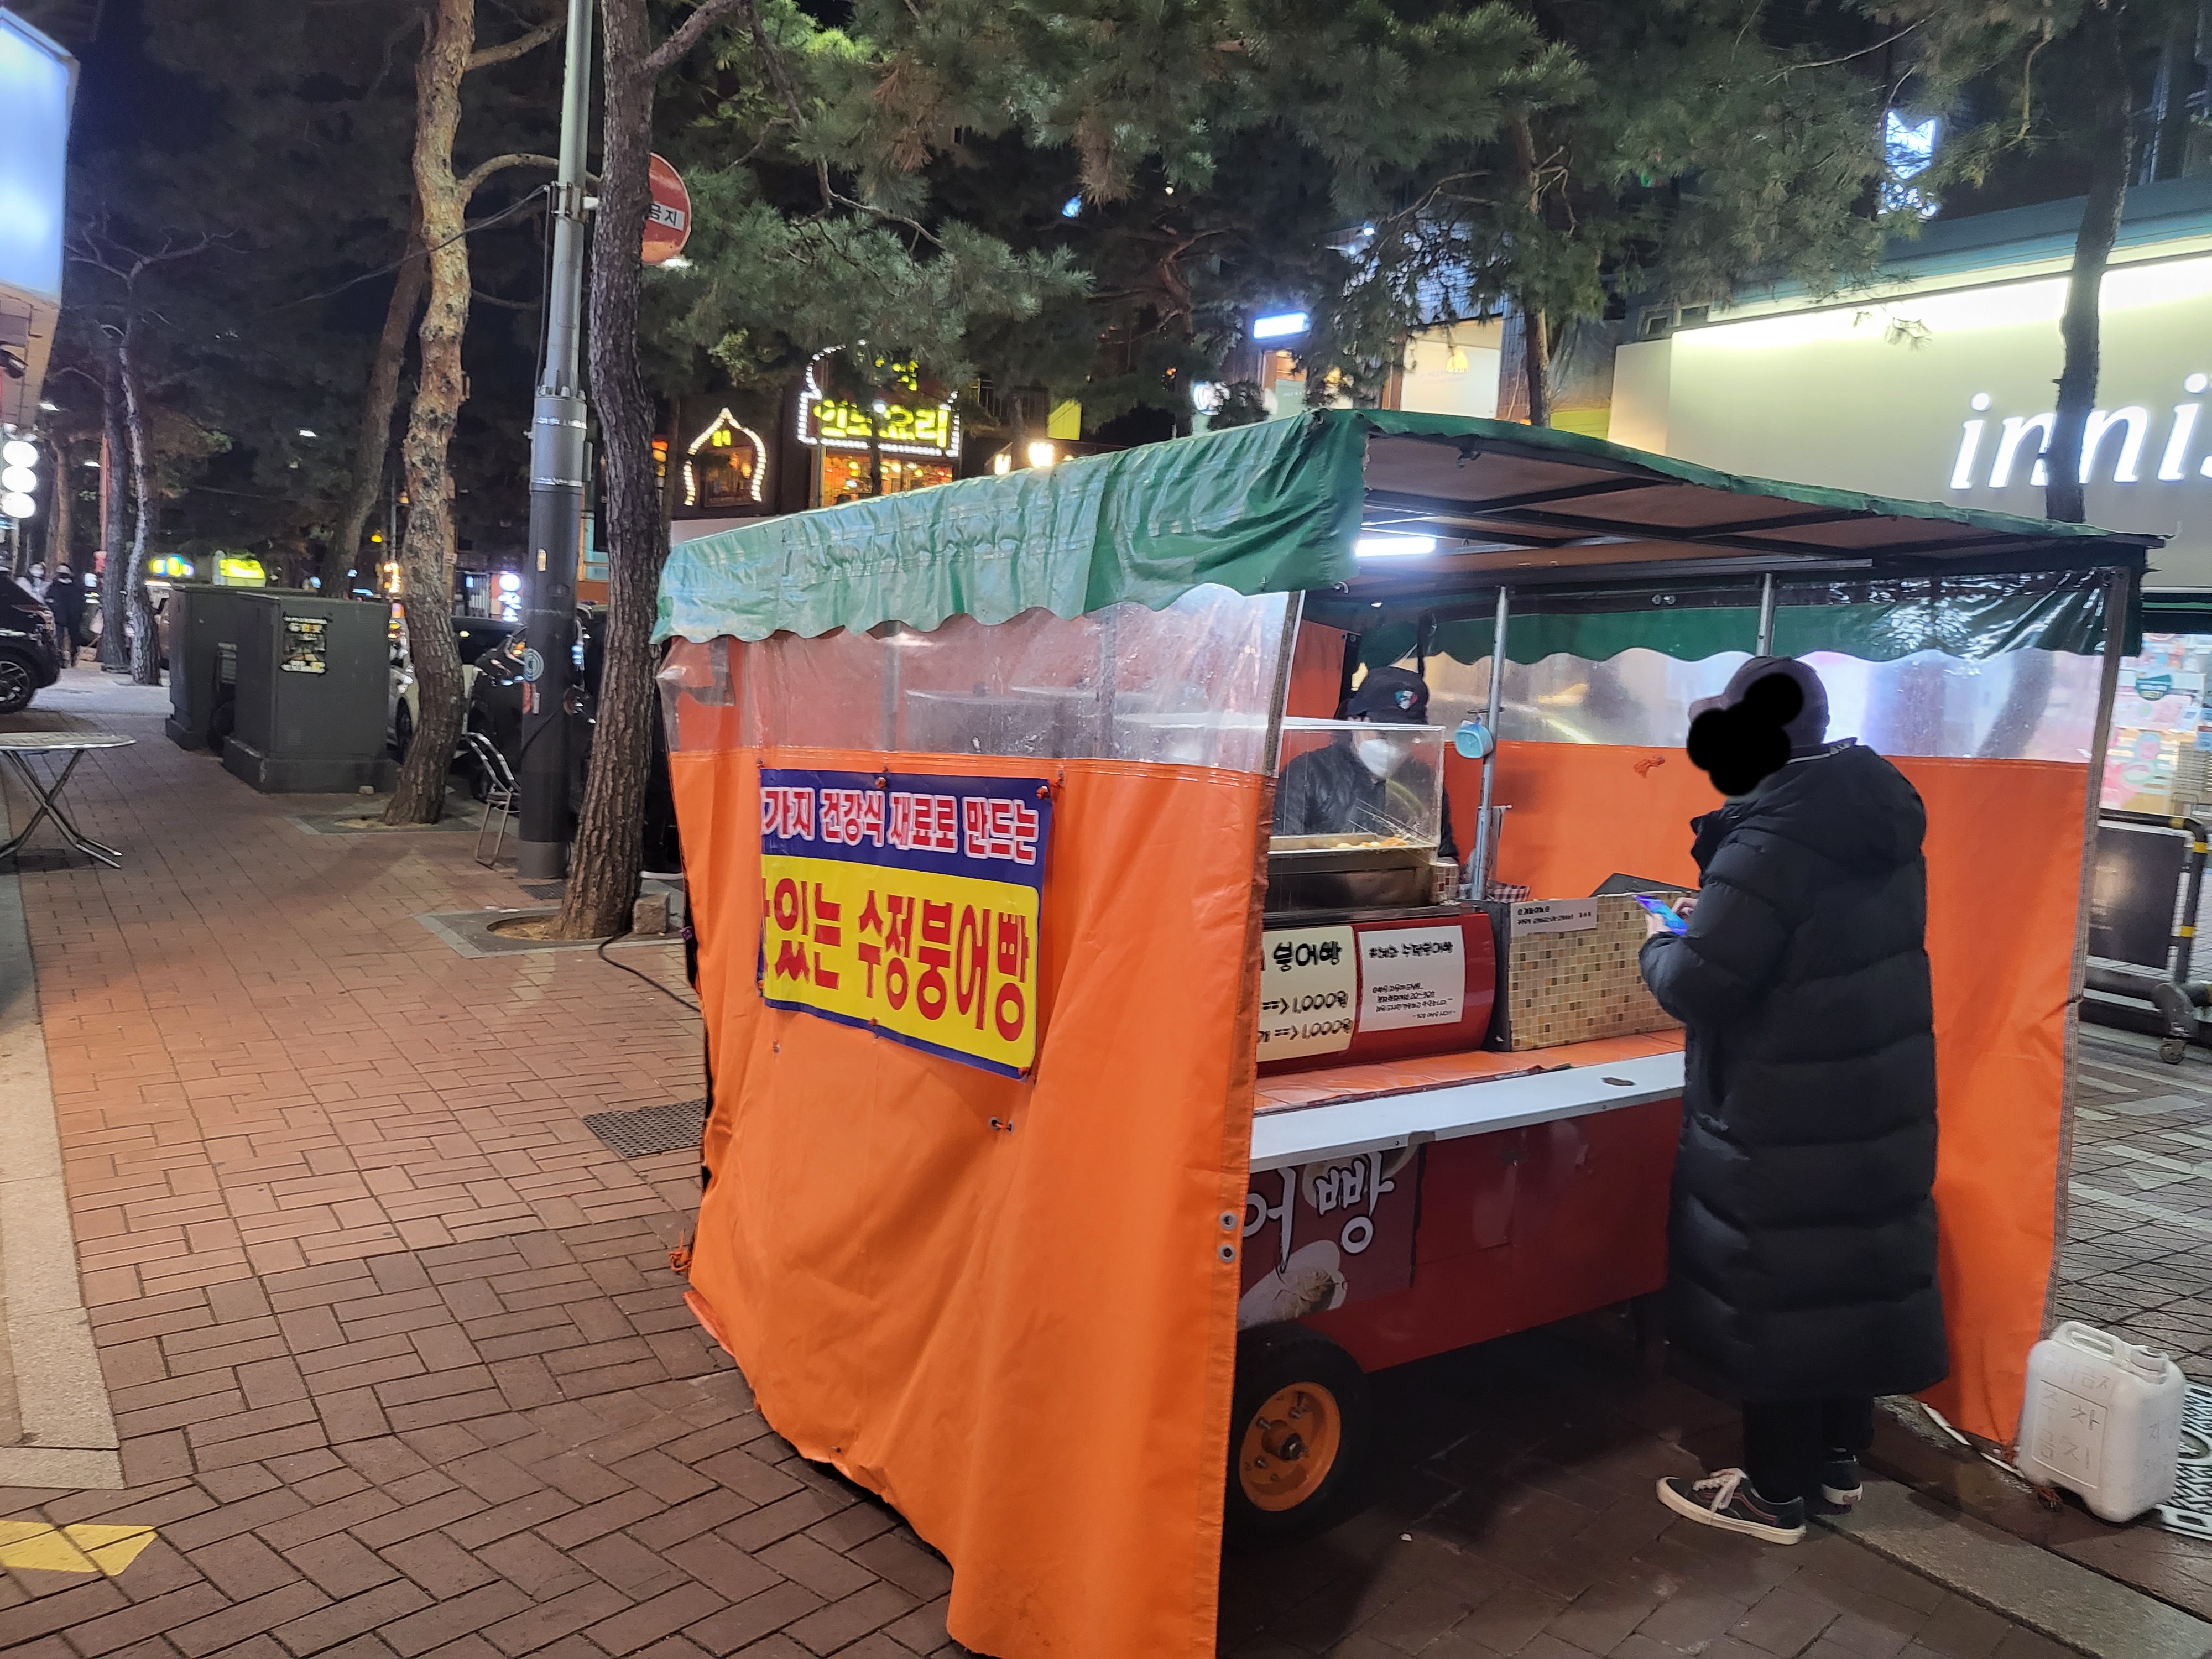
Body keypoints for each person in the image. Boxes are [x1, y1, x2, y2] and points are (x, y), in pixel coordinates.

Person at [1637, 656, 1946, 1545]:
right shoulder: (1876, 811)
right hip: (1874, 1094)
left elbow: (1701, 982)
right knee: (1845, 1274)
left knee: (1778, 1284)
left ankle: (1774, 1493)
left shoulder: (1771, 838)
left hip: (1783, 1105)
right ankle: (1837, 1462)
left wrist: (1659, 940)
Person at [1274, 664, 1459, 863]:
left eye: (1405, 735)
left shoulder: (1424, 780)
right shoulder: (1308, 772)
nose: (1394, 745)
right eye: (1383, 733)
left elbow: (1443, 856)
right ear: (1354, 720)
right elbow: (1282, 854)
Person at [46, 563, 85, 665]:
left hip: (73, 616)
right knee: (59, 637)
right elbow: (49, 599)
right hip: (60, 616)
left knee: (73, 637)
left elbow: (81, 600)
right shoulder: (55, 585)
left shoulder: (76, 586)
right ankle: (59, 656)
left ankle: (73, 653)